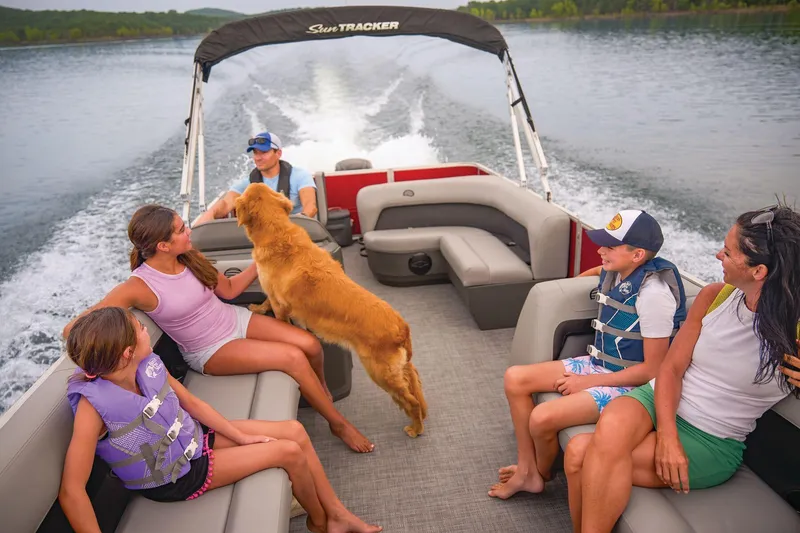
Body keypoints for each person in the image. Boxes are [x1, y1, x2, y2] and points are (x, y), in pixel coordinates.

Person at [62, 204, 373, 453]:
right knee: (293, 358)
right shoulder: (138, 286)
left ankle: (322, 396)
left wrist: (260, 260)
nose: (189, 231)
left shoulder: (190, 257)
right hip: (209, 350)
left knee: (310, 344)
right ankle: (337, 423)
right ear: (163, 245)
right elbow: (76, 329)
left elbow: (229, 290)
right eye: (182, 230)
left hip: (233, 318)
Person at [565, 205, 800, 533]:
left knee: (579, 452)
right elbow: (671, 369)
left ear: (758, 271)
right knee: (610, 426)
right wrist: (667, 437)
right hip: (658, 397)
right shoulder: (714, 297)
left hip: (711, 437)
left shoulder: (794, 332)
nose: (718, 255)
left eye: (728, 252)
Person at [58, 307, 382, 533]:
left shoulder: (147, 365)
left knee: (294, 431)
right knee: (289, 452)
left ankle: (336, 514)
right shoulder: (93, 407)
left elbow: (192, 404)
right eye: (141, 329)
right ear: (127, 352)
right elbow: (72, 491)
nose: (146, 330)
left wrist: (240, 438)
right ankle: (321, 524)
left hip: (194, 439)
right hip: (176, 477)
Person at [489, 210, 686, 499]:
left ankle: (539, 473)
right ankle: (528, 470)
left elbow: (654, 371)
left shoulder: (654, 296)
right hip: (599, 364)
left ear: (637, 254)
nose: (600, 251)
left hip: (633, 385)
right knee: (515, 378)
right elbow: (597, 272)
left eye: (610, 246)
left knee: (542, 417)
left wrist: (587, 383)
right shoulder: (617, 271)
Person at [194, 131, 317, 225]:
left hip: (295, 234)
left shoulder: (300, 176)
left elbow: (310, 207)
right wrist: (210, 214)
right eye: (255, 153)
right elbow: (226, 204)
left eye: (263, 152)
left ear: (278, 153)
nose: (257, 158)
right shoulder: (247, 184)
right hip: (263, 240)